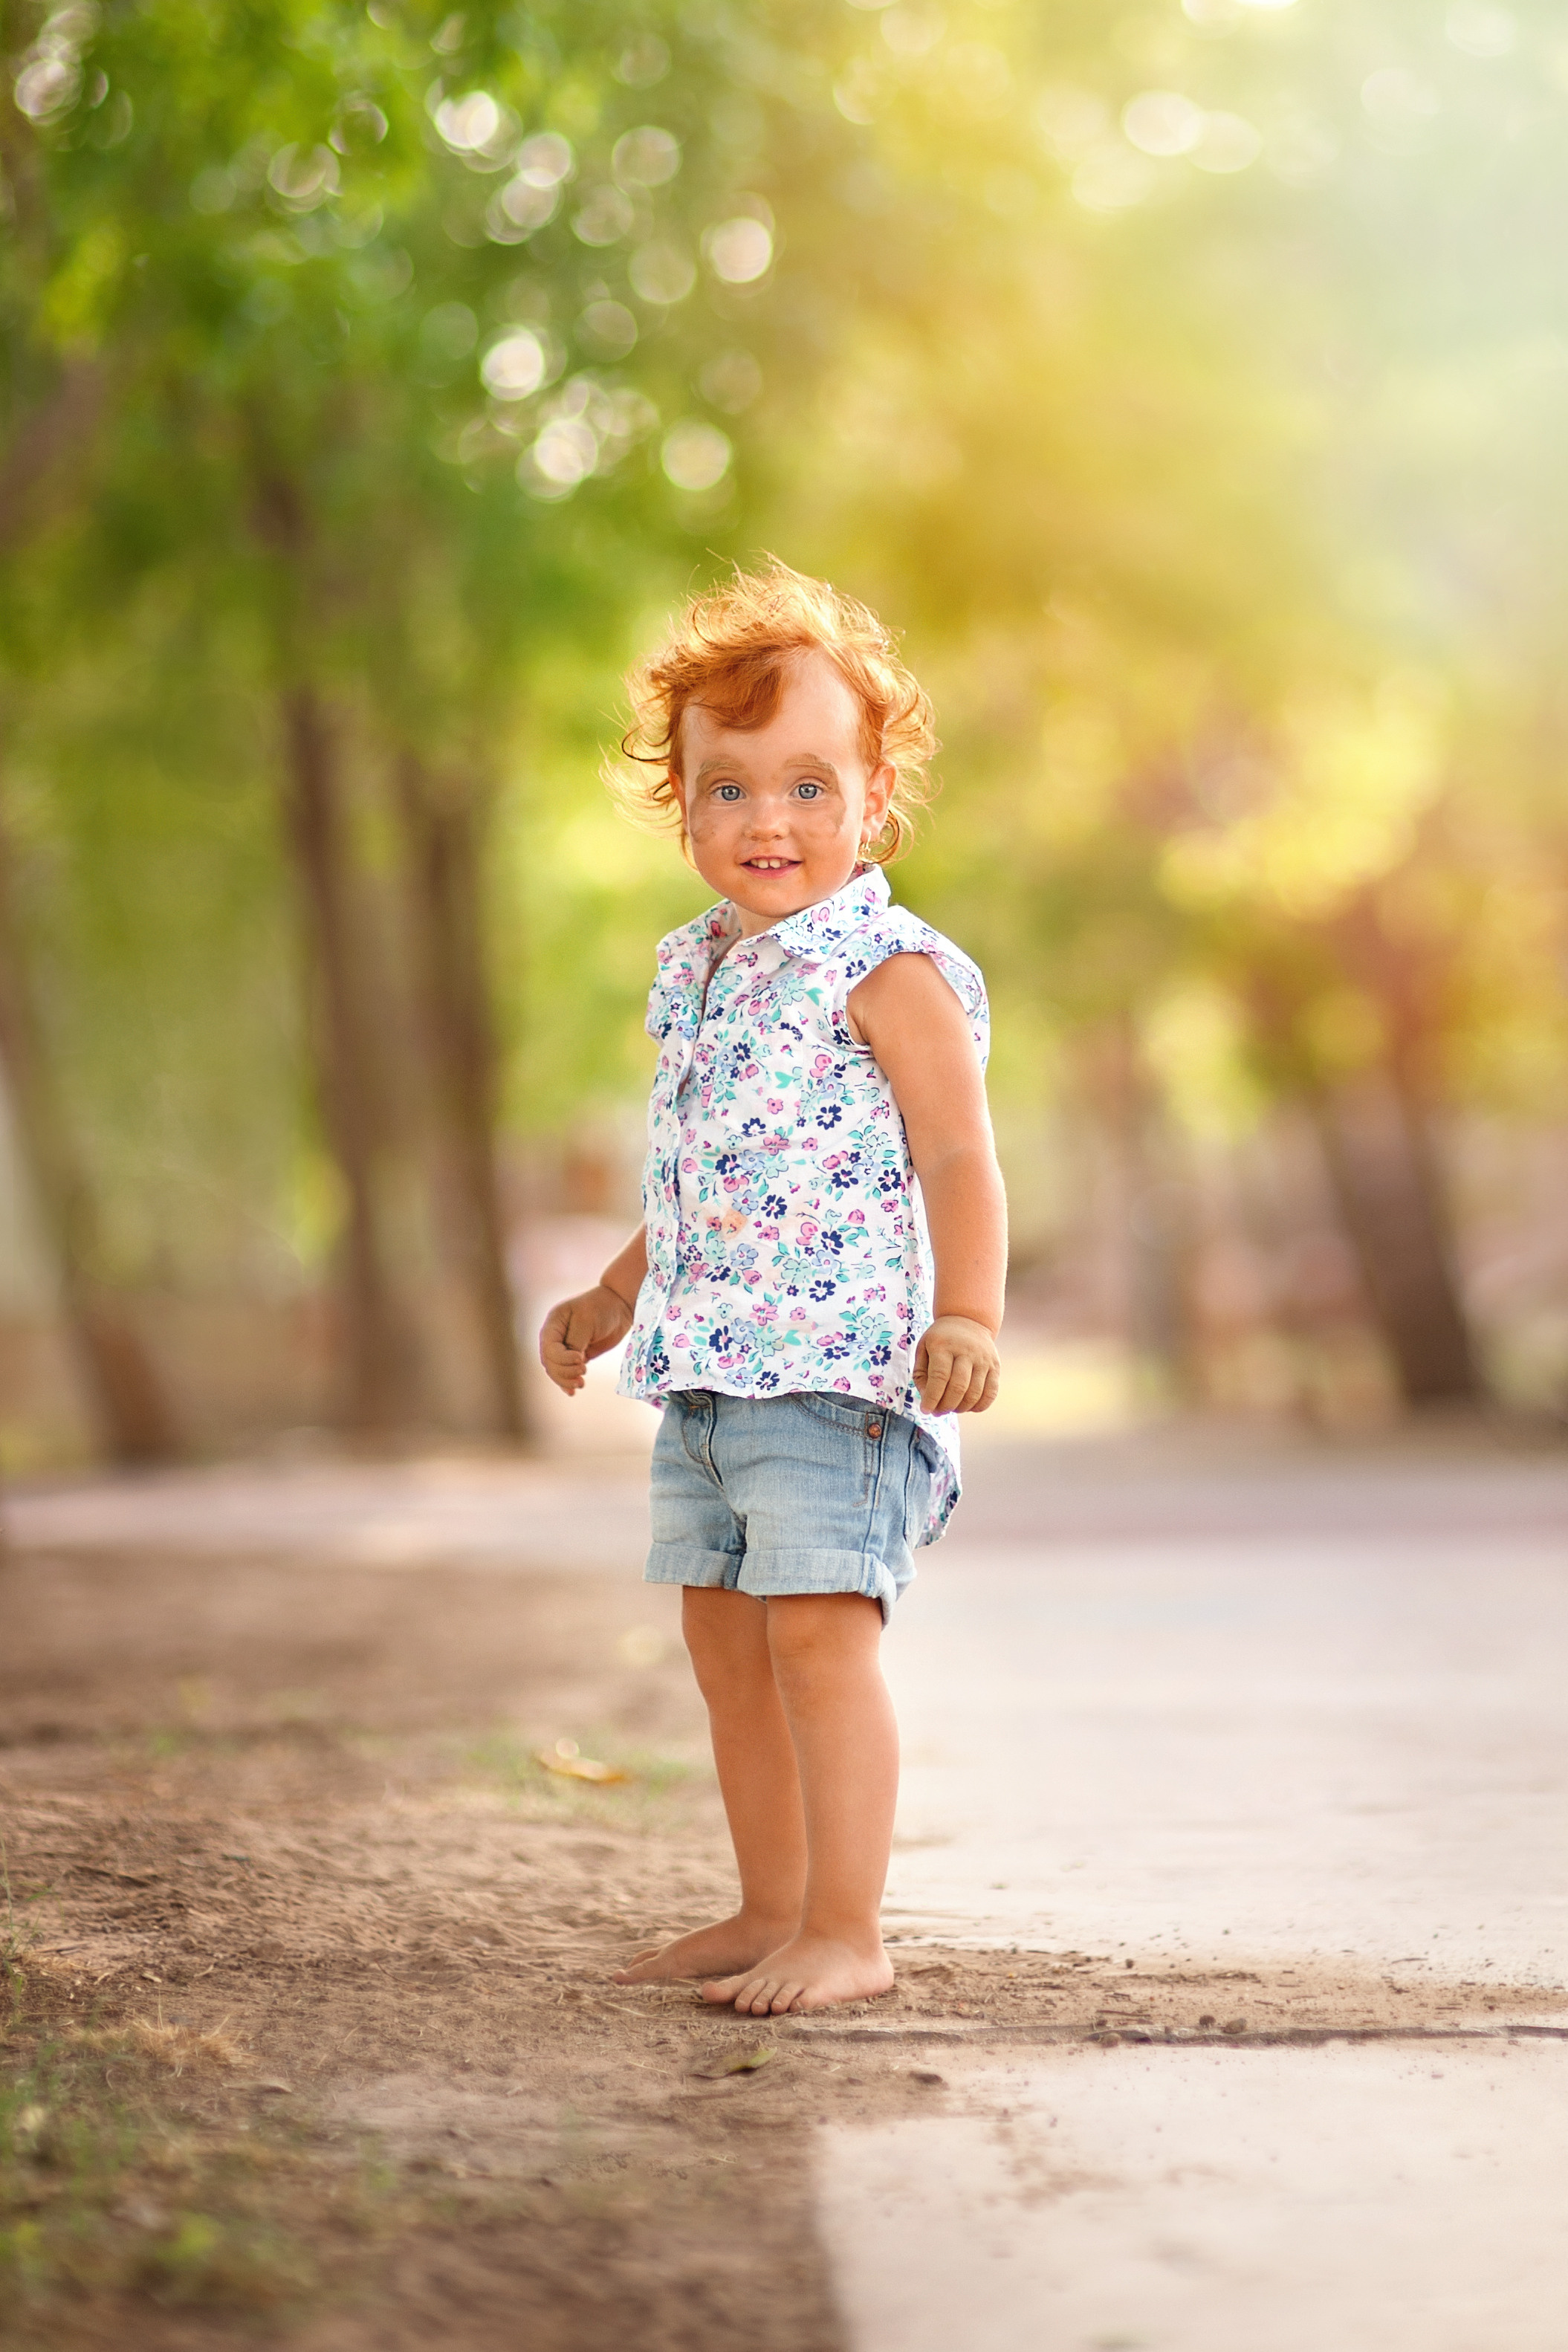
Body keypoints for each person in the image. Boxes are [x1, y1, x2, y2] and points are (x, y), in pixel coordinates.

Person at [539, 560, 1007, 2015]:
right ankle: (768, 1902)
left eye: (808, 786)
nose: (767, 821)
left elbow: (955, 1153)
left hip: (835, 1374)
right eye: (728, 788)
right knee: (725, 1644)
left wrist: (969, 1312)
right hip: (706, 1374)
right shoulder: (696, 969)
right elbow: (701, 1172)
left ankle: (848, 1926)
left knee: (817, 1632)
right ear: (678, 803)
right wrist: (616, 1291)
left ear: (873, 797)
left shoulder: (888, 967)